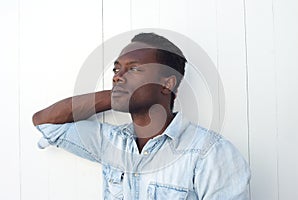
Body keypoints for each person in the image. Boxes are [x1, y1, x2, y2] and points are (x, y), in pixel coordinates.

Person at [32, 33, 250, 199]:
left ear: (167, 84)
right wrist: (118, 95)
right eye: (117, 71)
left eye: (134, 70)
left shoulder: (210, 153)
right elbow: (45, 122)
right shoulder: (110, 143)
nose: (118, 77)